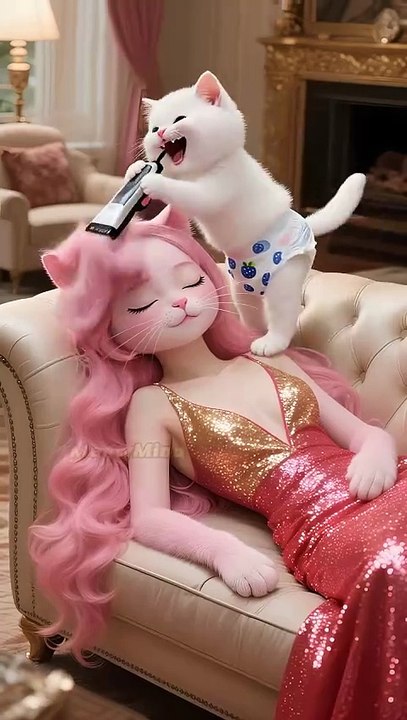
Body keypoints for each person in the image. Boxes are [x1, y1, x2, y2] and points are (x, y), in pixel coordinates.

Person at [29, 206, 406, 720]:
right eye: (141, 304)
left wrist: (378, 452)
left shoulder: (269, 358)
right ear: (108, 328)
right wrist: (221, 551)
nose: (180, 302)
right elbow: (149, 515)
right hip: (323, 526)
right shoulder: (153, 405)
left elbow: (363, 434)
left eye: (190, 280)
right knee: (396, 568)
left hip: (389, 488)